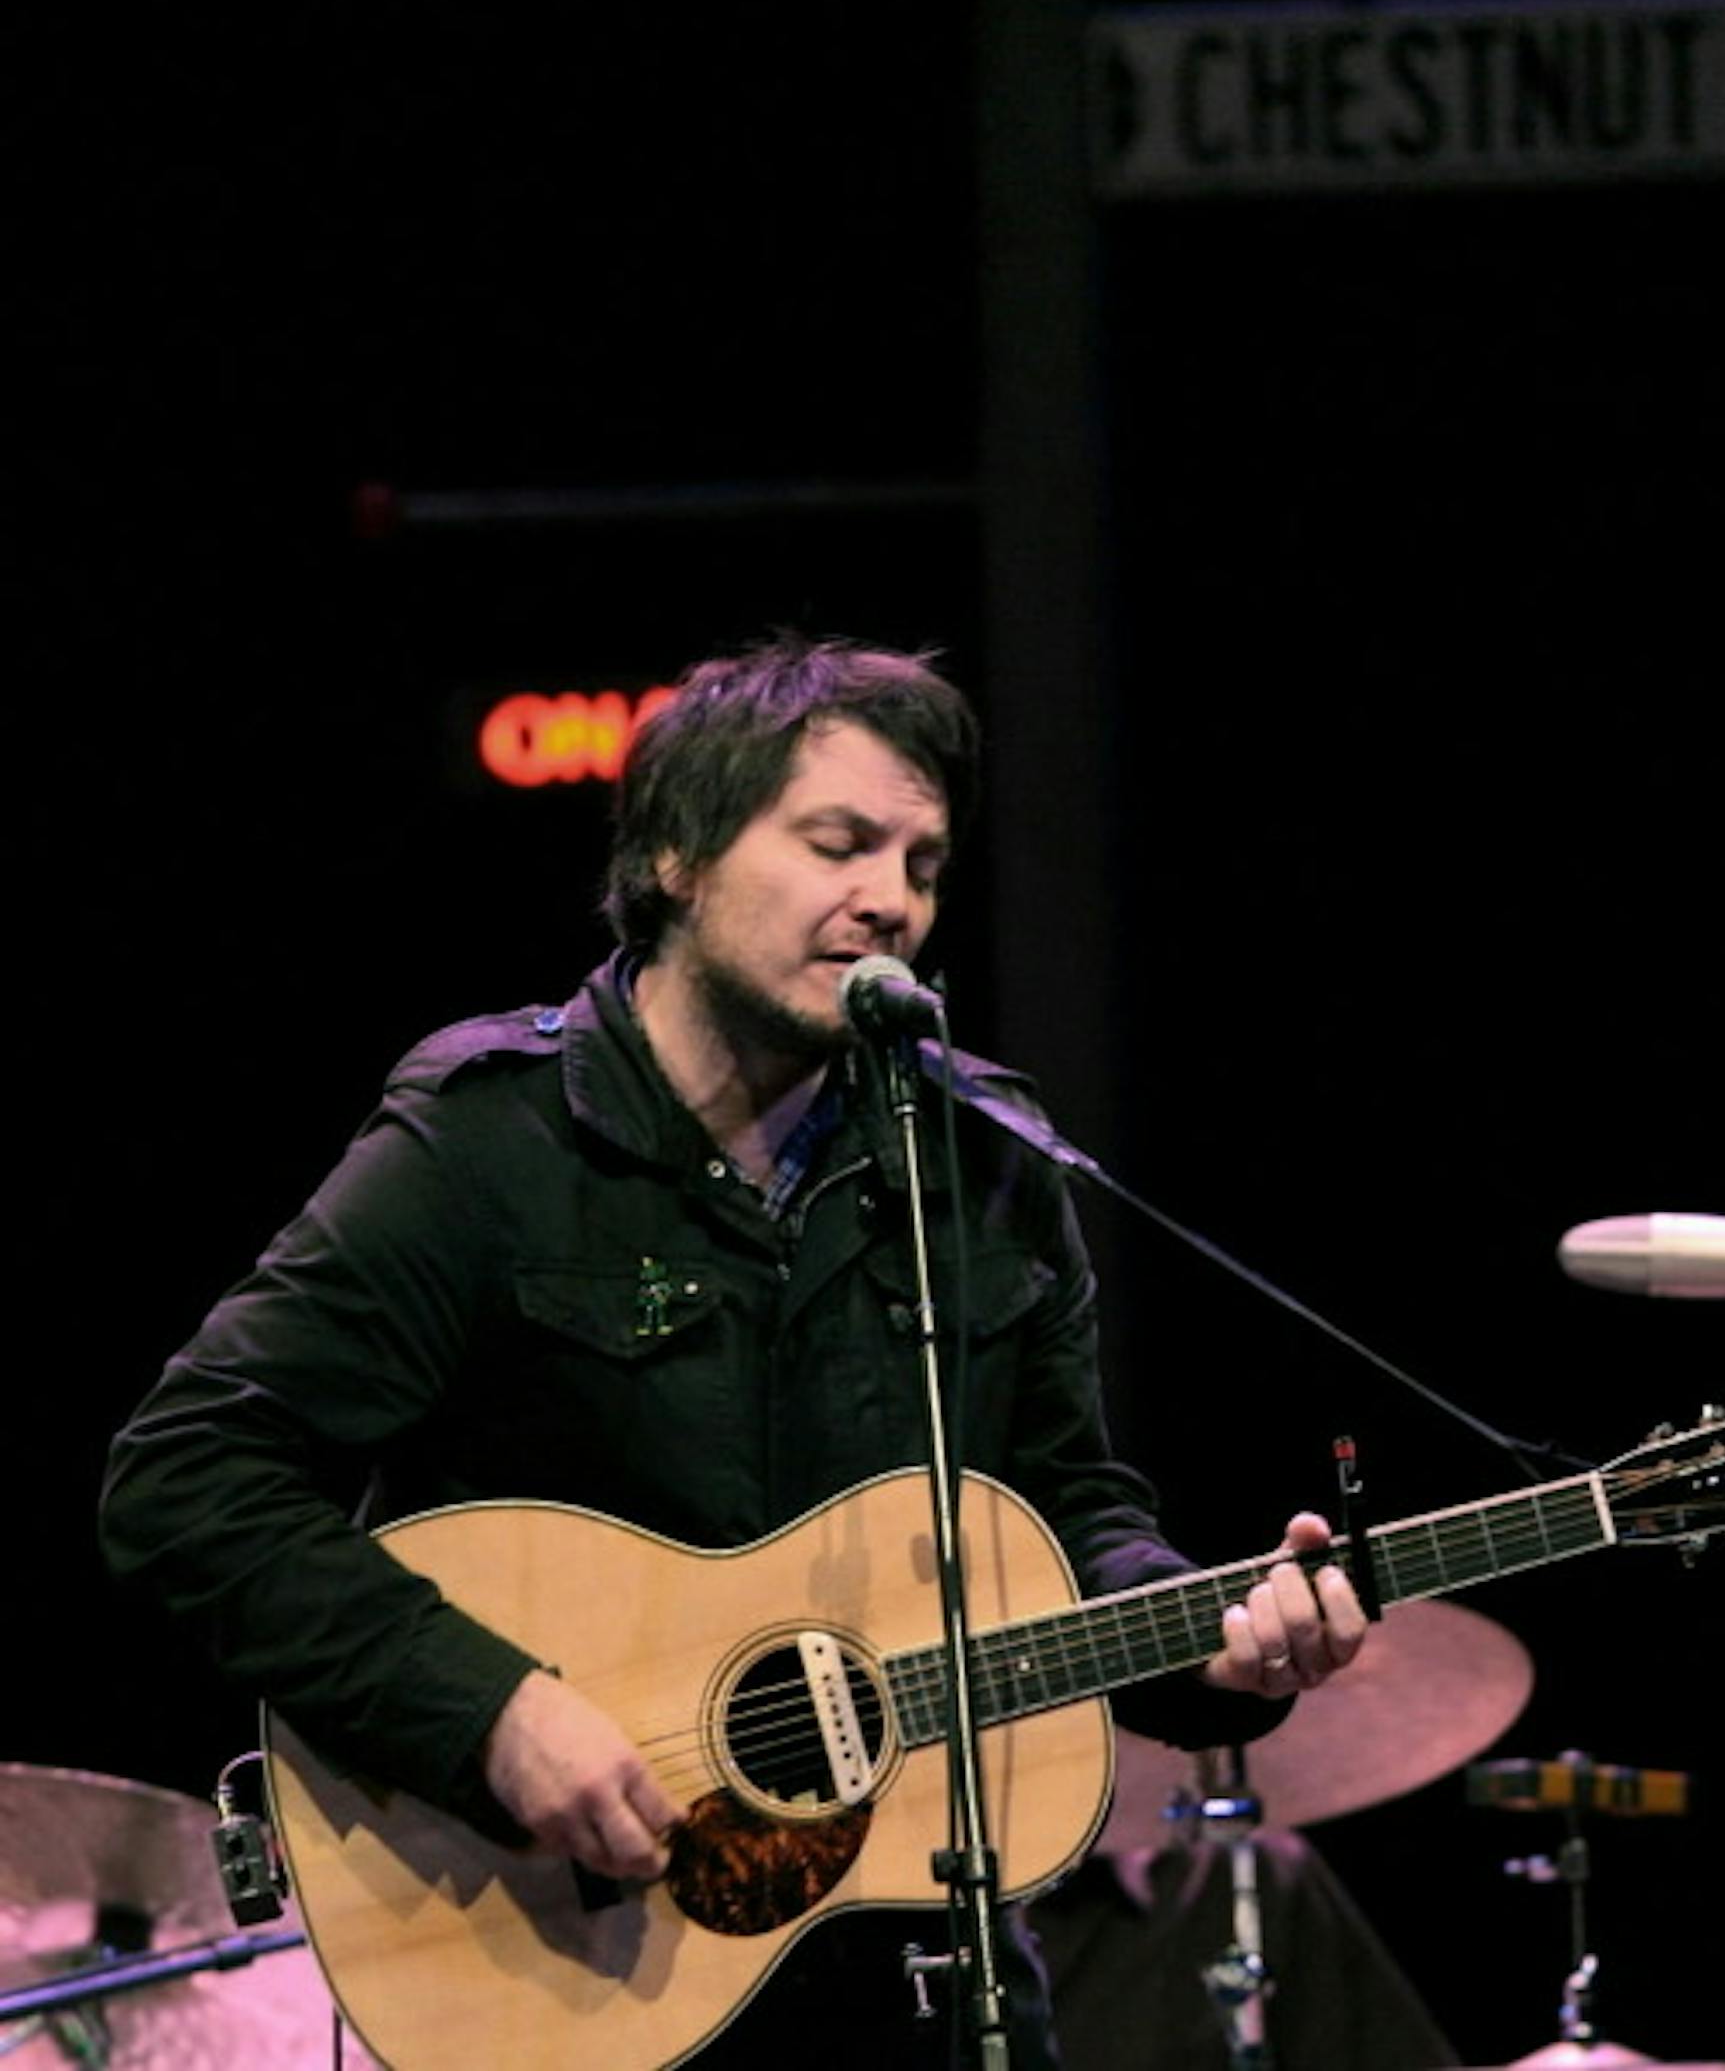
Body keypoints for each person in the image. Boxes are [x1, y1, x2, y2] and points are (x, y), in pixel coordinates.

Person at [100, 635, 1367, 2067]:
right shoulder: (488, 1143)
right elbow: (186, 1478)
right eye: (839, 843)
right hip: (576, 1965)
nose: (890, 899)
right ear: (678, 859)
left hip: (915, 1982)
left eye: (924, 864)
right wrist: (494, 1711)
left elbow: (1069, 1524)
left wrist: (1222, 1636)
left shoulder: (989, 1165)